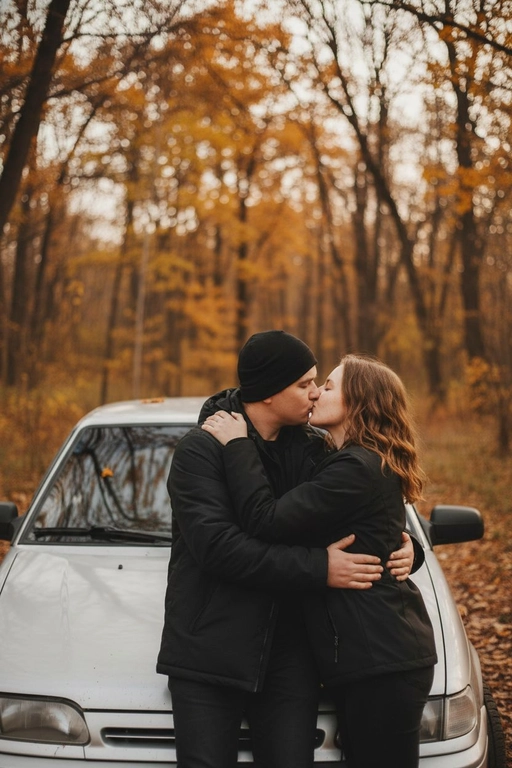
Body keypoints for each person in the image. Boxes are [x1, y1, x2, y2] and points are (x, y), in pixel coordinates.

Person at [157, 331, 419, 768]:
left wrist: (409, 550)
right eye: (304, 384)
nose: (315, 393)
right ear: (269, 392)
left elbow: (368, 511)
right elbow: (219, 548)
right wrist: (321, 568)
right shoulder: (200, 451)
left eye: (320, 383)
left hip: (291, 655)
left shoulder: (316, 449)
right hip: (209, 650)